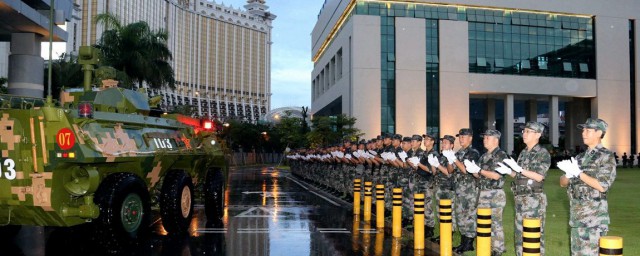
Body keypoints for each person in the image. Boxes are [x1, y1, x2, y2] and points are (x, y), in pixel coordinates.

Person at [558, 118, 616, 255]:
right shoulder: (579, 157)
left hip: (594, 219)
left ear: (599, 133)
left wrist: (578, 173)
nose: (583, 133)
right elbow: (562, 183)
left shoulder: (606, 156)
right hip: (577, 217)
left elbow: (602, 186)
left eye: (588, 130)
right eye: (583, 130)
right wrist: (567, 174)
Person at [503, 122, 551, 256]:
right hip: (520, 199)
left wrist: (519, 169)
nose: (524, 133)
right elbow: (519, 176)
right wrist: (509, 171)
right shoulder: (523, 153)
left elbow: (539, 176)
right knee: (520, 235)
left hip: (533, 200)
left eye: (528, 131)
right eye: (524, 131)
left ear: (538, 135)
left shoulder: (542, 153)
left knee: (533, 236)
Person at [464, 129, 509, 256]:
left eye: (487, 138)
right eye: (484, 138)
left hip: (495, 194)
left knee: (495, 223)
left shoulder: (501, 155)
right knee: (483, 222)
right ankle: (486, 247)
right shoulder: (484, 156)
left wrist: (479, 171)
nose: (484, 140)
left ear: (496, 140)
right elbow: (479, 175)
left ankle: (498, 249)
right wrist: (472, 170)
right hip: (482, 192)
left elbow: (496, 176)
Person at [442, 128, 480, 254]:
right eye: (460, 137)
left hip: (469, 190)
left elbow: (466, 170)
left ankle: (469, 243)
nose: (461, 139)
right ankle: (463, 242)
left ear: (470, 138)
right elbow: (450, 171)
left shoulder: (473, 152)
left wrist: (454, 160)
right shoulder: (459, 152)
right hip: (459, 189)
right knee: (460, 215)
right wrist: (449, 160)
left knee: (468, 215)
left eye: (464, 137)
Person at [429, 134, 457, 243]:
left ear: (452, 145)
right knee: (440, 212)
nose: (443, 144)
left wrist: (438, 165)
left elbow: (449, 173)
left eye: (445, 143)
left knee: (448, 213)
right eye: (442, 142)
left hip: (448, 188)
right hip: (439, 187)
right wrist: (433, 164)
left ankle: (449, 234)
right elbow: (435, 172)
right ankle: (443, 233)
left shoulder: (453, 157)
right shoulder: (440, 156)